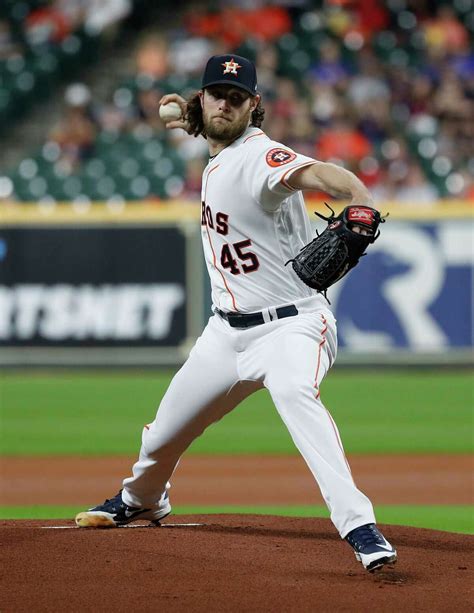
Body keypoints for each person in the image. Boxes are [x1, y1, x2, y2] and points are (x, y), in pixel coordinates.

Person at [75, 54, 397, 573]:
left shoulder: (260, 157)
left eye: (236, 97)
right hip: (225, 333)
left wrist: (358, 198)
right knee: (160, 435)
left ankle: (359, 526)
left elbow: (316, 173)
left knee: (295, 394)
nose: (225, 103)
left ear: (255, 105)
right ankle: (143, 499)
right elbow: (204, 123)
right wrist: (185, 115)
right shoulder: (218, 144)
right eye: (215, 94)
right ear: (204, 97)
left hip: (292, 325)